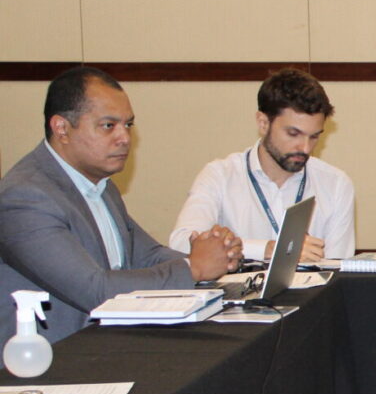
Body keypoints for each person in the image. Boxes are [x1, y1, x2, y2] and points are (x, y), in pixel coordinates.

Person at [0, 66, 241, 342]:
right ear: (62, 128)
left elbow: (147, 255)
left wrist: (216, 255)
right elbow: (95, 291)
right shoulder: (25, 197)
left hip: (103, 345)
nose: (124, 138)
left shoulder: (99, 184)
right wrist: (194, 268)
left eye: (128, 125)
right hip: (50, 358)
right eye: (108, 126)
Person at [169, 68, 355, 263]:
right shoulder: (220, 176)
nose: (305, 148)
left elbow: (339, 267)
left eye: (314, 136)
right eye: (293, 134)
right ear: (263, 123)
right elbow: (181, 242)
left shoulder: (335, 185)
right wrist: (267, 249)